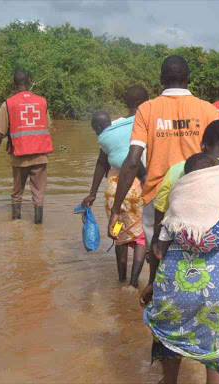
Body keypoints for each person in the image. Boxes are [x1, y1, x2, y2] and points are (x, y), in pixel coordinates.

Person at [140, 120, 219, 384]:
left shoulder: (177, 172)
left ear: (202, 145)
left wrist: (153, 283)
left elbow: (160, 236)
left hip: (174, 280)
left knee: (170, 341)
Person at [107, 55, 219, 249]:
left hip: (157, 196)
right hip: (197, 192)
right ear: (189, 78)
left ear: (161, 79)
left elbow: (133, 161)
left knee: (157, 255)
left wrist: (116, 209)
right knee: (194, 254)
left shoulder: (146, 110)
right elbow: (218, 159)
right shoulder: (208, 110)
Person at [81, 85, 150, 288]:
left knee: (118, 230)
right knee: (140, 236)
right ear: (147, 102)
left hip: (115, 190)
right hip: (139, 187)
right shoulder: (151, 125)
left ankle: (120, 279)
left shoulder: (112, 128)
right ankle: (134, 283)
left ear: (124, 102)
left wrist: (92, 192)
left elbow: (102, 162)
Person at [153, 153, 219, 276]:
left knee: (169, 221)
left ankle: (160, 250)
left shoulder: (180, 187)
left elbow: (174, 205)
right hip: (215, 237)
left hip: (182, 236)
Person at [0, 70, 53, 224]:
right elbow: (47, 126)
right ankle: (38, 227)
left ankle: (16, 227)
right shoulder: (42, 101)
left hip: (20, 156)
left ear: (13, 84)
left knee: (17, 193)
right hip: (40, 154)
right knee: (39, 194)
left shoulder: (8, 104)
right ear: (29, 81)